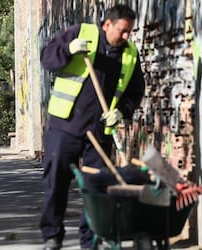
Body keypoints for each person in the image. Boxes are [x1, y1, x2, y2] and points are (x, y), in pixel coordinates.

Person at [39, 4, 145, 250]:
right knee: (56, 181)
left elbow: (135, 90)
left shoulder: (129, 53)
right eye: (122, 30)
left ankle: (91, 240)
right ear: (107, 24)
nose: (126, 36)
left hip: (99, 132)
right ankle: (52, 236)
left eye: (130, 31)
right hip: (65, 125)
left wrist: (121, 112)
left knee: (96, 190)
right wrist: (68, 49)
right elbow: (47, 57)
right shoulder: (81, 33)